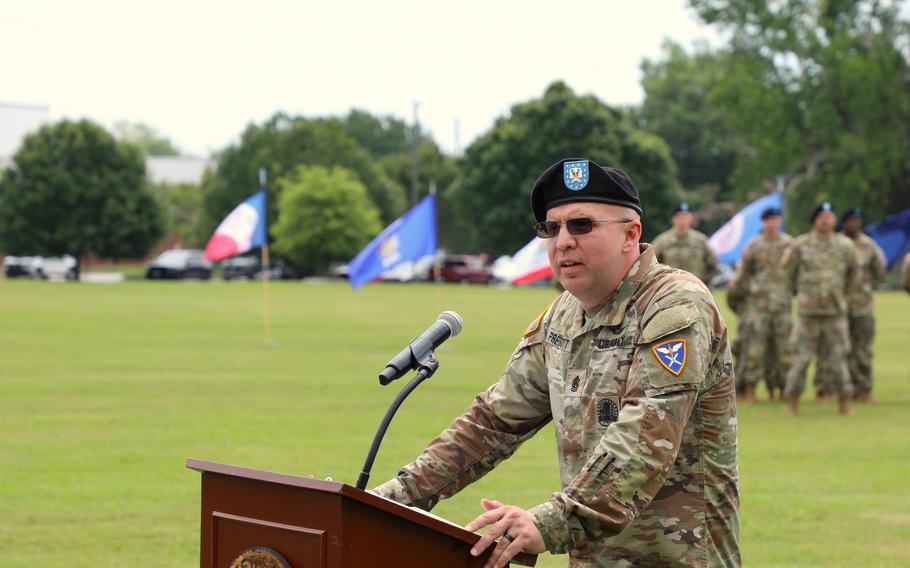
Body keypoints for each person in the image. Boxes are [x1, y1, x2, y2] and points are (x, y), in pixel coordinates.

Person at [372, 158, 741, 567]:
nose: (562, 241)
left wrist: (546, 523)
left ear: (630, 234)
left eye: (581, 225)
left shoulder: (675, 306)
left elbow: (646, 438)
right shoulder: (563, 316)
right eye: (552, 228)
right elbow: (492, 422)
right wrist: (387, 502)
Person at [781, 202, 859, 416]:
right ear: (815, 220)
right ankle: (792, 403)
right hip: (808, 314)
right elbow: (788, 274)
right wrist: (802, 295)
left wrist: (841, 295)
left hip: (835, 313)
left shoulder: (845, 246)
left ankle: (844, 403)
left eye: (829, 215)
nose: (825, 219)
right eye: (821, 216)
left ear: (834, 220)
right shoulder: (801, 245)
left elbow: (854, 275)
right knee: (800, 359)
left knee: (838, 359)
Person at [734, 207, 793, 402]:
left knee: (783, 350)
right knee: (755, 351)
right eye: (768, 220)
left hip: (782, 305)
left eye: (775, 219)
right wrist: (742, 302)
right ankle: (750, 389)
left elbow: (797, 273)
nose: (772, 223)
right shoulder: (754, 246)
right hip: (758, 307)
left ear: (780, 221)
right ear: (763, 222)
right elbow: (744, 277)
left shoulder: (789, 245)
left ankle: (783, 389)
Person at [839, 208, 887, 404]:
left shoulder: (869, 245)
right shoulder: (836, 243)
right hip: (838, 306)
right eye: (850, 220)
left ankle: (864, 389)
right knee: (838, 351)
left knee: (863, 350)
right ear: (844, 222)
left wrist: (865, 288)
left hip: (862, 306)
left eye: (856, 220)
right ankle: (837, 391)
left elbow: (880, 271)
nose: (854, 223)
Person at [651, 202, 719, 285]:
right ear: (673, 218)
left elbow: (713, 264)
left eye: (686, 216)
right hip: (670, 289)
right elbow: (651, 264)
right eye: (679, 216)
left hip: (695, 288)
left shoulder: (700, 240)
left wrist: (703, 282)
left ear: (691, 218)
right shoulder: (662, 241)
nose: (682, 220)